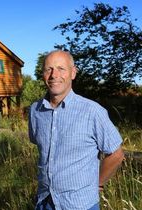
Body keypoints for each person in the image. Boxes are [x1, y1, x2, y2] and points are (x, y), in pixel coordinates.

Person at [28, 50, 124, 210]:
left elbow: (116, 154)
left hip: (80, 204)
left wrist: (98, 184)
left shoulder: (93, 111)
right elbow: (38, 144)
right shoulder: (35, 111)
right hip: (44, 201)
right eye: (48, 69)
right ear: (43, 74)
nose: (54, 75)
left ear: (73, 73)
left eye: (61, 68)